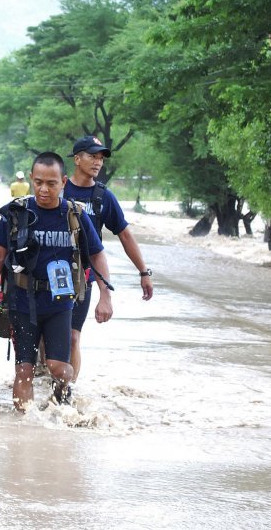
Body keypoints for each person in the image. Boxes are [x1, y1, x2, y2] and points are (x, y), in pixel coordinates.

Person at [0, 152, 113, 410]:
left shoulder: (74, 215)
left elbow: (96, 254)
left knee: (59, 368)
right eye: (38, 182)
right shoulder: (17, 214)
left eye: (51, 183)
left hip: (59, 302)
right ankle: (26, 429)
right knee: (24, 369)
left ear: (63, 182)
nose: (44, 189)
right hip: (22, 301)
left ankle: (62, 402)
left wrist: (105, 296)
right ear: (30, 179)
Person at [63, 135, 154, 383]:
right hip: (49, 276)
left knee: (72, 338)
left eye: (101, 158)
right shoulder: (57, 190)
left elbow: (125, 236)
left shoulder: (103, 197)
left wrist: (144, 272)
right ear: (77, 158)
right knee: (46, 338)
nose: (98, 162)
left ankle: (66, 394)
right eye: (92, 156)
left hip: (83, 279)